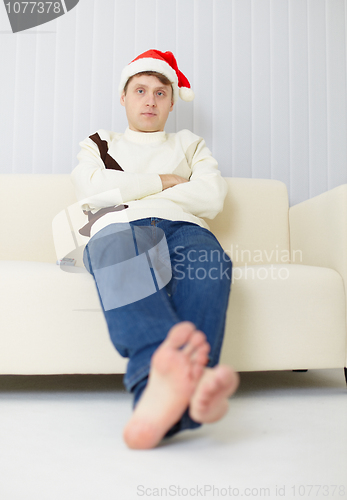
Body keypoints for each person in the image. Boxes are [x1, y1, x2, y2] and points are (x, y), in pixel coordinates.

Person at [71, 49, 239, 449]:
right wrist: (165, 181)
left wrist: (126, 186)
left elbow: (212, 196)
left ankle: (162, 399)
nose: (150, 100)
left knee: (210, 262)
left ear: (172, 101)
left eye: (161, 93)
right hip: (118, 226)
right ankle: (184, 389)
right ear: (124, 98)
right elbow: (92, 192)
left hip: (185, 228)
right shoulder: (99, 142)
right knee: (115, 250)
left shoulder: (190, 143)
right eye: (140, 91)